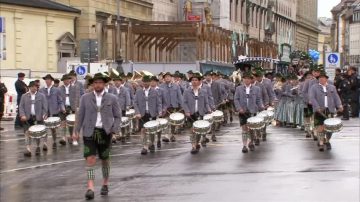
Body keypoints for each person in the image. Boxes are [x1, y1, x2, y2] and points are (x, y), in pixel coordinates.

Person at [75, 73, 121, 200]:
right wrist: (76, 131)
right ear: (92, 84)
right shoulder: (85, 98)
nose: (98, 85)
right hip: (89, 132)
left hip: (105, 133)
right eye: (95, 83)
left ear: (104, 84)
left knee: (105, 159)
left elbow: (118, 116)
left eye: (100, 82)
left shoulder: (112, 98)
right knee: (90, 159)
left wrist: (114, 129)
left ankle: (105, 184)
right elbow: (80, 116)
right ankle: (90, 188)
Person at [309, 72, 343, 151]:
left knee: (329, 128)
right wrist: (317, 107)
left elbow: (336, 97)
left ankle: (327, 141)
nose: (321, 79)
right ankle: (321, 143)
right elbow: (312, 98)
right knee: (320, 127)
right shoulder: (314, 87)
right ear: (318, 79)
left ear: (326, 79)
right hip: (319, 110)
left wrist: (340, 105)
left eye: (323, 78)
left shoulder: (332, 87)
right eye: (320, 78)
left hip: (330, 110)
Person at [234, 72, 263, 153]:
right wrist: (239, 108)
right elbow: (236, 99)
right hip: (242, 112)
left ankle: (251, 142)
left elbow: (258, 99)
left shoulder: (256, 89)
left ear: (251, 80)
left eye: (248, 79)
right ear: (243, 79)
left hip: (252, 111)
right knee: (244, 129)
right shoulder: (238, 88)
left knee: (251, 129)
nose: (246, 80)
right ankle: (244, 145)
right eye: (245, 78)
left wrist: (261, 106)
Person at [183, 73, 211, 154]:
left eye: (196, 80)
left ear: (199, 81)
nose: (194, 82)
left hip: (200, 113)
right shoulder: (187, 91)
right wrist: (187, 111)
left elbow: (206, 102)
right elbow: (184, 102)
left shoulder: (203, 91)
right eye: (192, 80)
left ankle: (197, 142)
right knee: (192, 130)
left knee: (198, 131)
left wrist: (209, 109)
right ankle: (193, 146)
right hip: (190, 113)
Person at [134, 75, 162, 155]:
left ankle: (152, 143)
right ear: (142, 82)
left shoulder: (155, 91)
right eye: (144, 82)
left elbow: (159, 103)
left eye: (147, 82)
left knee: (152, 131)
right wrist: (137, 112)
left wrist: (159, 111)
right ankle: (145, 146)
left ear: (150, 82)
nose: (145, 83)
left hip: (152, 114)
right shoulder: (138, 91)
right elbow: (135, 103)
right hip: (142, 114)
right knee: (143, 130)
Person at [19, 81, 48, 157]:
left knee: (37, 134)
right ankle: (28, 149)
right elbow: (21, 107)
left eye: (35, 86)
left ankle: (38, 146)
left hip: (38, 118)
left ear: (37, 87)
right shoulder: (24, 96)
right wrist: (22, 115)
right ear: (29, 87)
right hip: (27, 118)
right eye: (32, 86)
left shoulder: (42, 96)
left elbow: (45, 107)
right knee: (27, 133)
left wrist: (45, 114)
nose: (34, 88)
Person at [39, 74, 65, 150]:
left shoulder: (57, 90)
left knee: (53, 128)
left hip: (54, 111)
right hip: (45, 112)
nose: (47, 81)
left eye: (48, 79)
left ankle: (54, 141)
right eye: (46, 79)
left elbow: (60, 101)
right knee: (44, 128)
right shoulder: (41, 90)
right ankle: (45, 143)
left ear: (51, 81)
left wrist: (62, 108)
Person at [160, 72, 183, 142]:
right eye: (166, 77)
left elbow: (180, 96)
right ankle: (166, 135)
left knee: (173, 122)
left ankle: (172, 135)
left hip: (174, 106)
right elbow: (159, 97)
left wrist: (182, 106)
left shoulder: (176, 86)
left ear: (171, 78)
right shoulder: (161, 86)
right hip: (165, 107)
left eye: (169, 76)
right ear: (164, 78)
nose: (167, 78)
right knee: (165, 121)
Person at [59, 74, 78, 146]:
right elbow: (59, 100)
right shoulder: (59, 89)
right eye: (64, 80)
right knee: (63, 123)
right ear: (63, 81)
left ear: (70, 80)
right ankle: (63, 138)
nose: (66, 81)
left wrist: (76, 108)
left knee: (71, 124)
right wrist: (62, 108)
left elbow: (77, 98)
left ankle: (71, 137)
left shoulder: (74, 88)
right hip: (63, 107)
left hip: (72, 107)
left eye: (67, 79)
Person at [111, 75, 131, 143]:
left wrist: (128, 105)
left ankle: (123, 134)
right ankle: (114, 135)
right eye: (115, 81)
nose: (116, 82)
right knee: (114, 122)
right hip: (113, 108)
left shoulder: (125, 89)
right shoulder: (112, 89)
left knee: (122, 122)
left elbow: (127, 98)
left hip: (122, 108)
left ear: (120, 81)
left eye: (118, 81)